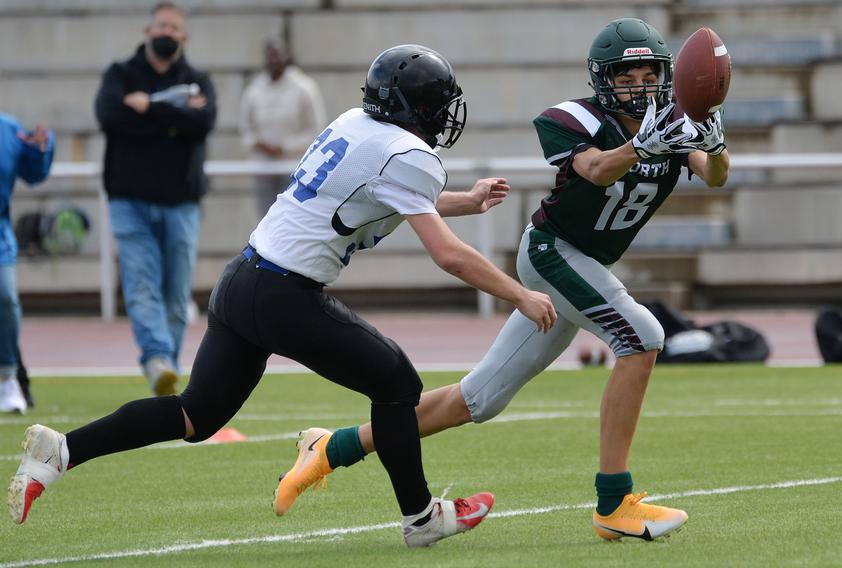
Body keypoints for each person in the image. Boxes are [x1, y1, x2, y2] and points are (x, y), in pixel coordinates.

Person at [8, 44, 557, 548]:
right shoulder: (408, 155)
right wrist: (520, 295)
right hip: (284, 294)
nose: (442, 115)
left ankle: (63, 451)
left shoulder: (355, 124)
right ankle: (421, 518)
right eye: (437, 104)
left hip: (242, 280)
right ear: (415, 107)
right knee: (396, 383)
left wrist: (465, 200)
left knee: (196, 415)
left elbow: (386, 195)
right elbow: (449, 255)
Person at [273, 18, 730, 542]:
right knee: (642, 337)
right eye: (627, 75)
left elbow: (714, 174)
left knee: (477, 400)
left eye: (650, 73)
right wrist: (642, 148)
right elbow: (598, 169)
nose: (640, 85)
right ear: (604, 79)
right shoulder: (572, 118)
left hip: (585, 265)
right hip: (552, 255)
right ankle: (614, 503)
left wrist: (714, 142)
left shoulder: (671, 119)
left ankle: (331, 448)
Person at [94, 2, 216, 396]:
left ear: (184, 36)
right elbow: (111, 118)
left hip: (181, 203)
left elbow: (202, 123)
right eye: (161, 26)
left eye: (174, 28)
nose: (167, 33)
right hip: (129, 202)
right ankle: (158, 358)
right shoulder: (120, 75)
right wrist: (174, 116)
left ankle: (168, 367)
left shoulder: (197, 78)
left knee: (178, 296)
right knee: (141, 283)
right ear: (148, 31)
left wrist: (149, 107)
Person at [0, 117, 54, 414]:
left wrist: (41, 150)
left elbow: (35, 173)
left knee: (6, 298)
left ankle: (9, 377)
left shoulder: (8, 130)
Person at [240, 37, 327, 216]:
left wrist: (284, 148)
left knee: (292, 217)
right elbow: (245, 128)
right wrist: (258, 144)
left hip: (293, 167)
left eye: (278, 55)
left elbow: (316, 130)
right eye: (270, 55)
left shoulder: (304, 88)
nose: (274, 60)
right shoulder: (255, 89)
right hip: (263, 168)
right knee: (265, 219)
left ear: (287, 56)